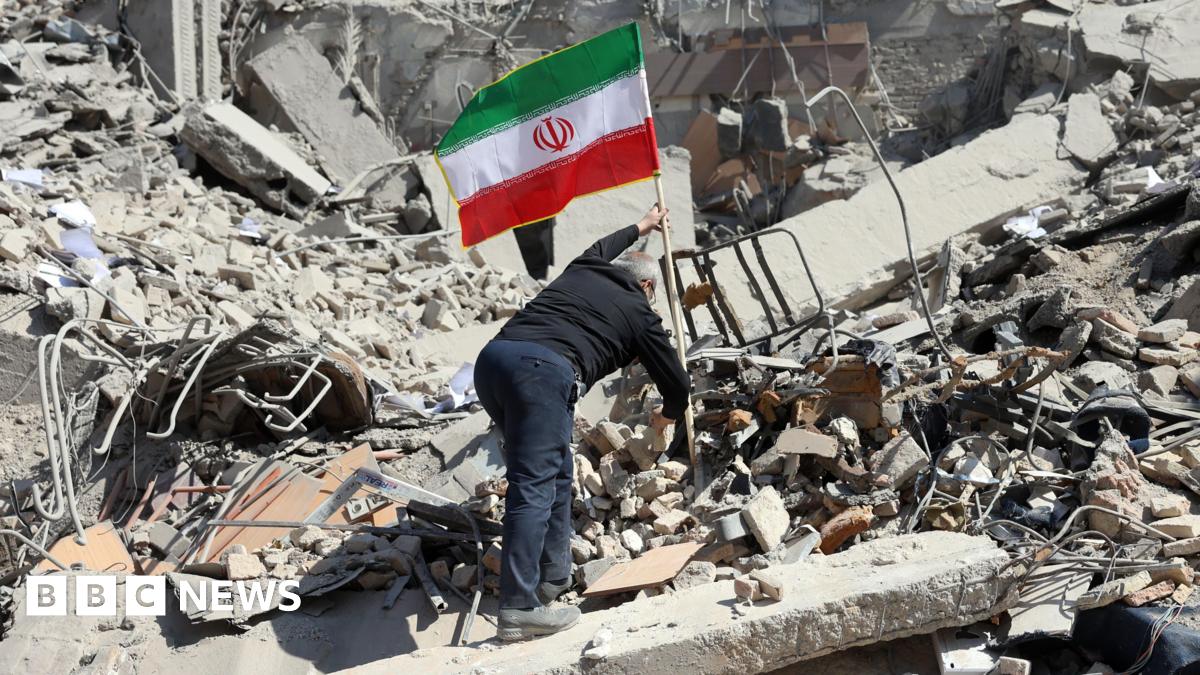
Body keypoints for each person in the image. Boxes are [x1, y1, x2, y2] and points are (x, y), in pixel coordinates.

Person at [474, 205, 690, 641]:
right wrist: (664, 418)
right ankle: (518, 610)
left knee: (556, 470)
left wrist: (643, 224)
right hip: (541, 373)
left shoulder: (587, 265)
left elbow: (605, 245)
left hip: (493, 363)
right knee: (533, 483)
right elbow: (678, 383)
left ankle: (552, 576)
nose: (651, 302)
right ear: (646, 285)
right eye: (653, 294)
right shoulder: (638, 310)